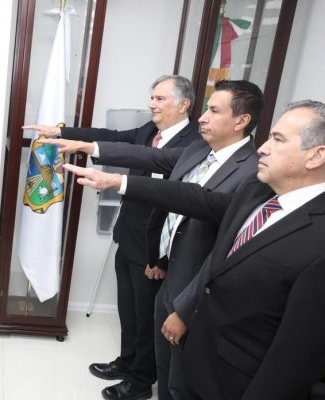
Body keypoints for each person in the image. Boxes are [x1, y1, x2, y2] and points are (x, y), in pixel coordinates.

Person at [64, 100, 325, 400]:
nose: (264, 148)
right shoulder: (257, 192)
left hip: (239, 381)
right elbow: (198, 205)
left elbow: (295, 357)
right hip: (197, 355)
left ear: (316, 155)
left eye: (278, 139)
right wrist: (118, 182)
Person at [39, 80, 262, 400]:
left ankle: (142, 381)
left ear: (241, 121)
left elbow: (194, 201)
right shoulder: (201, 149)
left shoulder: (252, 171)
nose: (202, 118)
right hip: (168, 267)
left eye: (214, 111)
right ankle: (138, 372)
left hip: (195, 285)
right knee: (164, 361)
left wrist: (118, 182)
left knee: (181, 375)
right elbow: (149, 157)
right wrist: (89, 147)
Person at [24, 75, 199, 400]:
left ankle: (140, 381)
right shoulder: (150, 131)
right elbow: (111, 137)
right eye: (152, 97)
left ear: (183, 104)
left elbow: (182, 207)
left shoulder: (193, 145)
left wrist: (160, 258)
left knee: (146, 318)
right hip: (128, 236)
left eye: (160, 99)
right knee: (128, 311)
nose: (152, 104)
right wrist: (61, 132)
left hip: (154, 250)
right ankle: (127, 361)